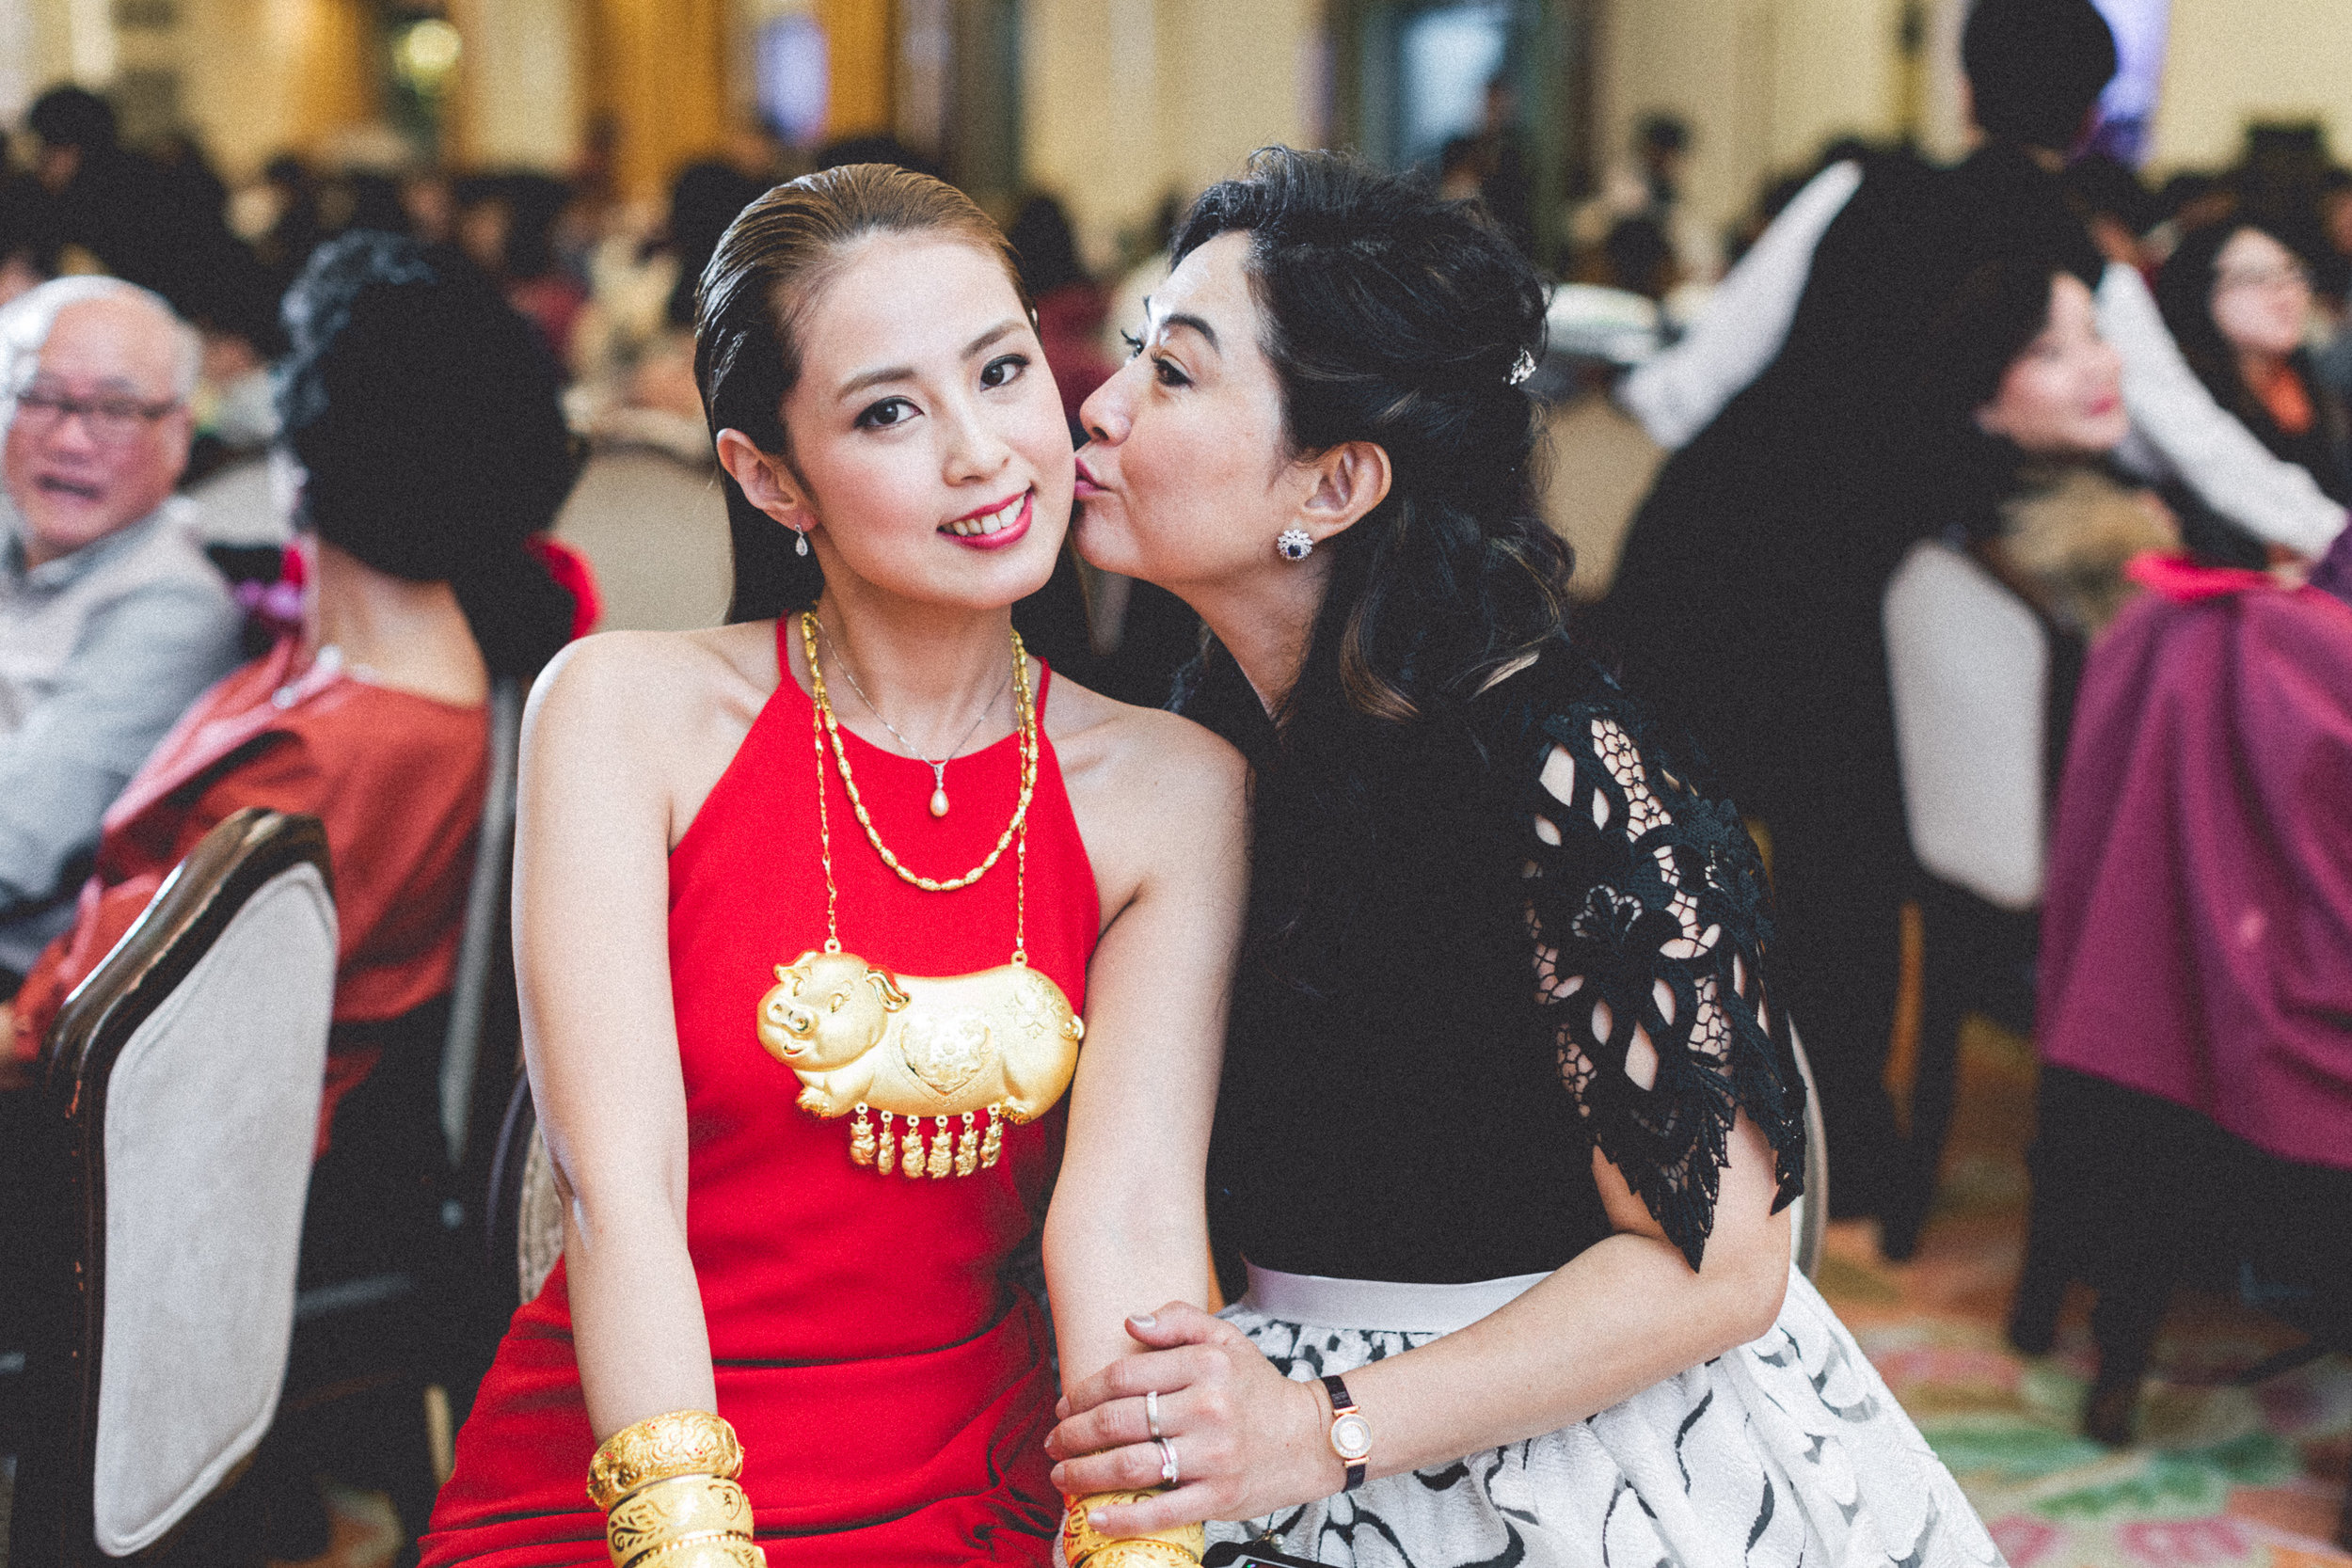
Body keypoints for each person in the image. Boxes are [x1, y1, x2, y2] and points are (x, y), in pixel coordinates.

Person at [1045, 148, 1999, 1568]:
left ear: (1337, 480)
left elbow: (1720, 1266)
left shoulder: (1559, 766)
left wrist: (1323, 1426)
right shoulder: (1203, 735)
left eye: (1173, 373)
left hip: (1552, 1435)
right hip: (1258, 1390)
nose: (1102, 403)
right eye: (1134, 352)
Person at [420, 164, 1242, 1568]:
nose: (981, 452)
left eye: (1001, 372)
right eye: (888, 412)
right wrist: (688, 1543)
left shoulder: (1172, 787)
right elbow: (617, 1196)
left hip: (979, 1476)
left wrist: (1136, 1543)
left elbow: (1132, 1219)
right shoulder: (623, 713)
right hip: (636, 1458)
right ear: (768, 475)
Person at [0, 277, 243, 983]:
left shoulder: (177, 609)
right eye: (41, 397)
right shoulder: (17, 541)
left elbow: (15, 846)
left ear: (177, 436)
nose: (70, 439)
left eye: (116, 409)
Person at [2154, 220, 2352, 549]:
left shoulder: (2316, 374)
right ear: (2200, 293)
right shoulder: (2194, 409)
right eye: (2254, 278)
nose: (2284, 291)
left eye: (2291, 271)